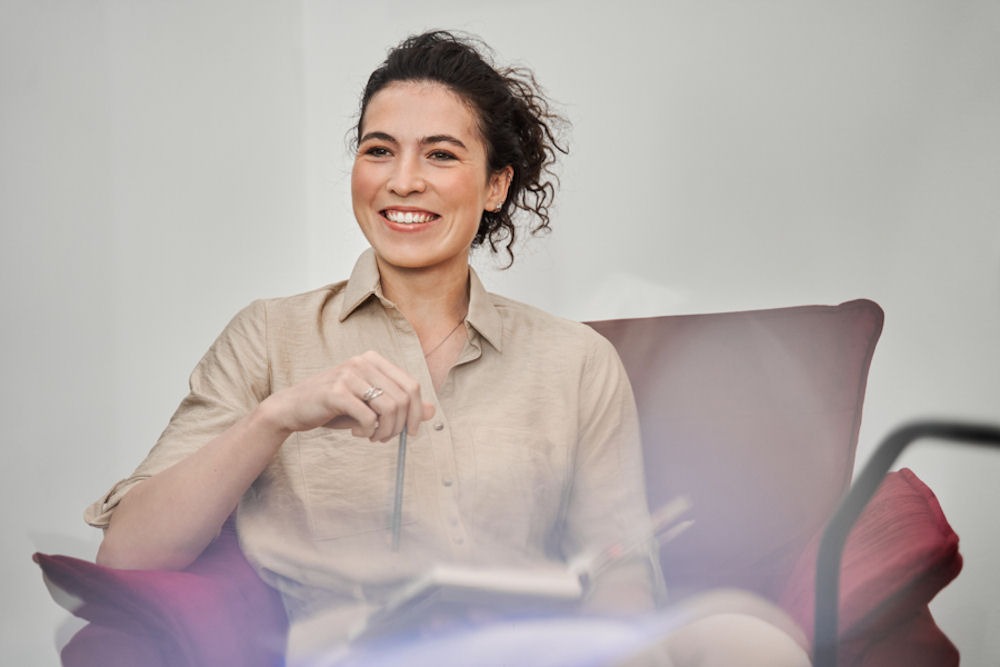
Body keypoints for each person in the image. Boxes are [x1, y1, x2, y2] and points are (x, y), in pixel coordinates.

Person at [85, 30, 809, 667]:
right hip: (362, 646)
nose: (403, 181)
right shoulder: (270, 335)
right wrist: (277, 414)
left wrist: (617, 643)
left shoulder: (576, 360)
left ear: (496, 185)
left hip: (541, 644)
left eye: (440, 154)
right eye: (379, 150)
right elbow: (129, 553)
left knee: (753, 642)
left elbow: (621, 569)